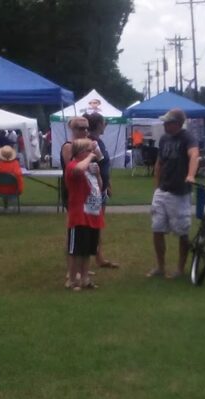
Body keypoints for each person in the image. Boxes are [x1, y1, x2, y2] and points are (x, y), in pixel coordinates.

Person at [147, 108, 199, 279]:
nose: (164, 125)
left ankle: (180, 268)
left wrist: (190, 175)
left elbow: (194, 155)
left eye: (168, 122)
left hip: (179, 193)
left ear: (177, 123)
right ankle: (160, 267)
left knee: (182, 232)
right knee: (157, 228)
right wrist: (157, 186)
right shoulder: (164, 139)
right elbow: (159, 162)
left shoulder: (187, 138)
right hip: (162, 190)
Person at [65, 138, 104, 291]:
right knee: (76, 251)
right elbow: (78, 170)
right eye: (89, 150)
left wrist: (98, 175)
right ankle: (72, 280)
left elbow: (99, 187)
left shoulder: (89, 167)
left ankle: (85, 279)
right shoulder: (73, 165)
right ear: (81, 152)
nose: (92, 153)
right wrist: (90, 157)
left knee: (87, 250)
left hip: (92, 214)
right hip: (79, 215)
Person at [84, 112, 119, 269]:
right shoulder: (90, 143)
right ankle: (85, 260)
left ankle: (99, 257)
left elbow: (103, 164)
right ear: (99, 124)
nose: (106, 125)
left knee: (97, 225)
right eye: (104, 122)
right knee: (89, 225)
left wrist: (107, 183)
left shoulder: (99, 141)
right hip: (93, 190)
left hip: (101, 189)